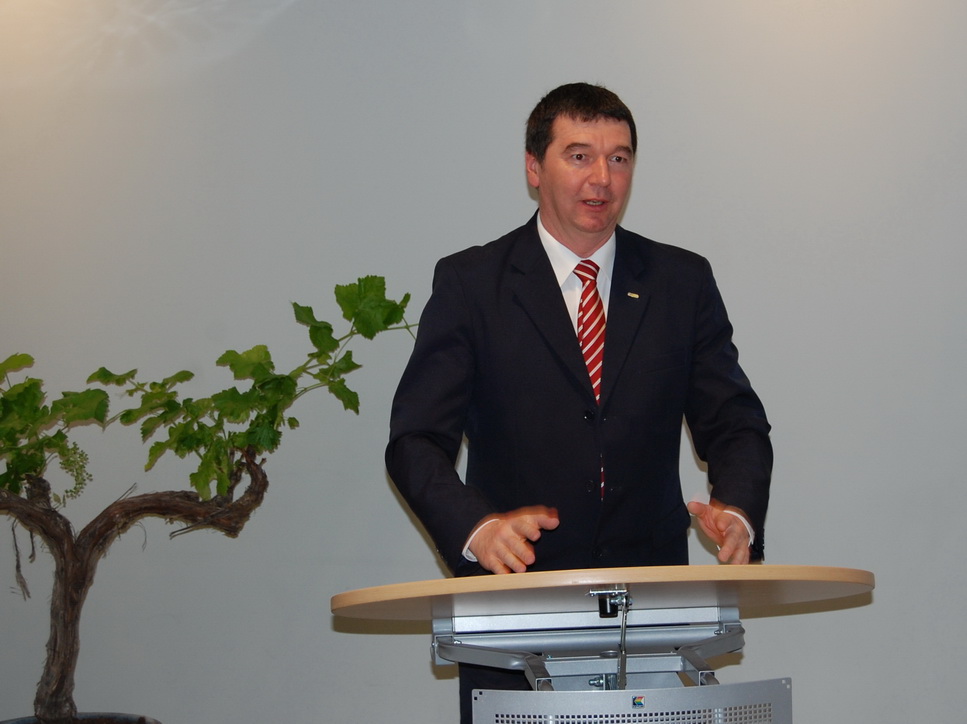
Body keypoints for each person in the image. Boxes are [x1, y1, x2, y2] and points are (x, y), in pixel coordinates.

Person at [385, 82, 772, 722]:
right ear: (534, 168)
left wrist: (739, 509)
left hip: (653, 614)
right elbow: (414, 441)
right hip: (515, 607)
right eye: (579, 156)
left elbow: (735, 422)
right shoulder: (472, 284)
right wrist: (477, 530)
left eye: (619, 158)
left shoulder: (681, 282)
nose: (601, 178)